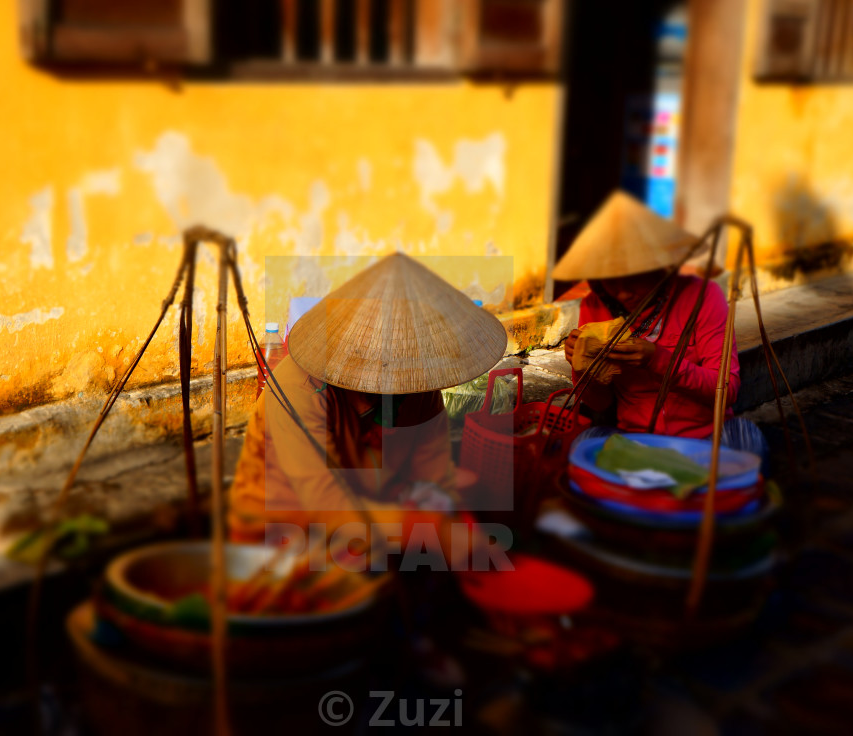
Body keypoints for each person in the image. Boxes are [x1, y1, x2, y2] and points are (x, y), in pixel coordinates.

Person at [228, 253, 509, 563]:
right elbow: (325, 503)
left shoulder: (420, 390)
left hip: (374, 521)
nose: (397, 379)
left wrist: (457, 526)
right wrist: (431, 529)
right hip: (280, 531)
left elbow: (434, 475)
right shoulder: (299, 389)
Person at [554, 191, 767, 460]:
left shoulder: (704, 296)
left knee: (748, 443)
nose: (622, 293)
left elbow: (727, 391)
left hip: (705, 437)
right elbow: (601, 402)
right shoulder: (595, 306)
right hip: (635, 438)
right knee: (583, 445)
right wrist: (582, 366)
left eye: (634, 278)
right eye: (610, 279)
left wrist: (658, 360)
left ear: (663, 268)